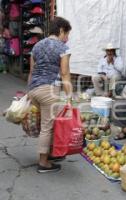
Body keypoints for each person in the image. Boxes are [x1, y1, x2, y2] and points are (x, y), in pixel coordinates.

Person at [27, 16, 72, 173]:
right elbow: (65, 74)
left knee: (50, 124)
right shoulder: (62, 48)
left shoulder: (37, 46)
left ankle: (51, 153)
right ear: (61, 31)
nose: (67, 38)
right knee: (47, 126)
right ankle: (43, 163)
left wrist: (29, 93)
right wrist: (69, 98)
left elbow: (32, 72)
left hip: (34, 89)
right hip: (49, 90)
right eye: (66, 34)